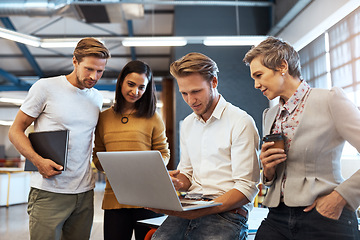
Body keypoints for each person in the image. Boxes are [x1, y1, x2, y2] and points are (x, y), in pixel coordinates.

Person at [243, 36, 360, 240]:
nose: (255, 85)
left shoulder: (330, 100)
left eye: (259, 75)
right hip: (277, 216)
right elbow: (274, 177)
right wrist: (268, 171)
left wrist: (341, 198)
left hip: (323, 215)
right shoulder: (269, 115)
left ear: (282, 66)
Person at [8, 37, 110, 240]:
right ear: (75, 61)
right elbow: (15, 131)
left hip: (84, 192)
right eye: (89, 69)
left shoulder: (97, 98)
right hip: (48, 191)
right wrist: (38, 161)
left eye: (100, 71)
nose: (94, 76)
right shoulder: (45, 88)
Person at [151, 52, 260, 240]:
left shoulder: (241, 122)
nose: (190, 100)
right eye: (184, 93)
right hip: (192, 207)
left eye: (196, 92)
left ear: (214, 82)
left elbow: (246, 189)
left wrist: (203, 210)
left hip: (227, 213)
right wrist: (176, 182)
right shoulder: (187, 124)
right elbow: (187, 175)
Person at [92, 60, 170, 240]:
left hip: (149, 200)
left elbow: (164, 154)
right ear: (121, 82)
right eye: (131, 84)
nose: (135, 92)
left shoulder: (153, 118)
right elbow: (97, 156)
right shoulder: (103, 118)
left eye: (142, 87)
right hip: (115, 199)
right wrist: (113, 166)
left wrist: (149, 166)